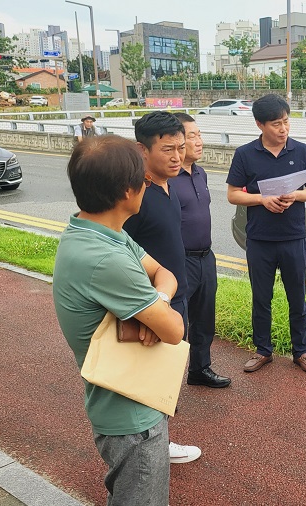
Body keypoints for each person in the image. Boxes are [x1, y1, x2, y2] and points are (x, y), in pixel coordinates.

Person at [53, 135, 186, 505]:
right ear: (129, 191)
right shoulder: (106, 258)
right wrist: (159, 315)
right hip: (132, 416)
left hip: (127, 399)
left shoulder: (96, 231)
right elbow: (174, 330)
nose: (147, 187)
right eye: (144, 181)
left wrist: (156, 302)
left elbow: (164, 273)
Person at [123, 110, 201, 464]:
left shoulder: (171, 186)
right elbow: (123, 256)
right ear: (143, 150)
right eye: (168, 149)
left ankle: (158, 441)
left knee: (169, 374)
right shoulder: (135, 195)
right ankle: (149, 448)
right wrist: (149, 307)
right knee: (151, 377)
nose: (177, 156)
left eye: (181, 147)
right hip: (153, 301)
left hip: (176, 294)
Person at [226, 94, 306, 374]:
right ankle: (263, 350)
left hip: (294, 237)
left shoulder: (301, 151)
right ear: (260, 124)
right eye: (276, 124)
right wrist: (261, 199)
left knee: (298, 297)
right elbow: (232, 195)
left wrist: (296, 195)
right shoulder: (245, 154)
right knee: (261, 297)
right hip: (259, 239)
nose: (283, 129)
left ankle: (301, 352)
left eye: (286, 122)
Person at [170, 112, 231, 389]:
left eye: (199, 135)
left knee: (204, 319)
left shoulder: (200, 173)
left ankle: (199, 369)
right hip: (179, 261)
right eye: (192, 136)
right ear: (177, 141)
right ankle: (165, 386)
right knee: (176, 324)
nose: (199, 141)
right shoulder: (167, 179)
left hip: (205, 257)